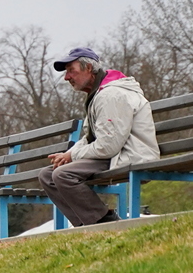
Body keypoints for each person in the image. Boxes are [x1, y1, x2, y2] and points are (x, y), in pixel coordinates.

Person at [39, 48, 160, 226]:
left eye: (71, 70)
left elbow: (108, 146)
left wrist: (72, 156)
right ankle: (85, 225)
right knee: (47, 175)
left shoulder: (111, 95)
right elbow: (90, 138)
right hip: (114, 155)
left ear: (88, 68)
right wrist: (69, 154)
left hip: (130, 155)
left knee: (63, 174)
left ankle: (105, 222)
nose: (66, 77)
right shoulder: (99, 95)